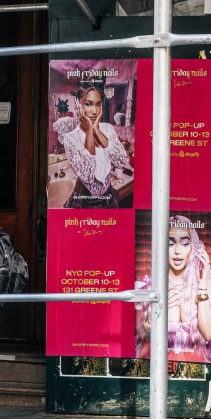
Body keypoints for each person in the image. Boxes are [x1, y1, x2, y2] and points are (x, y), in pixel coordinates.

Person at [136, 215, 211, 363]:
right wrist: (150, 320)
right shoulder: (145, 286)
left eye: (184, 243)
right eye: (170, 244)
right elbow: (142, 340)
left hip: (196, 372)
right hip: (156, 368)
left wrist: (202, 285)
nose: (177, 251)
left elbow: (208, 333)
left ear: (193, 247)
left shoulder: (206, 284)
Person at [52, 76, 129, 208]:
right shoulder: (71, 138)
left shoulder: (108, 129)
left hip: (109, 196)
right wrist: (89, 131)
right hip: (84, 201)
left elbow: (121, 162)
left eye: (98, 104)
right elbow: (87, 176)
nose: (94, 111)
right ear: (78, 105)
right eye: (88, 104)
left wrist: (97, 131)